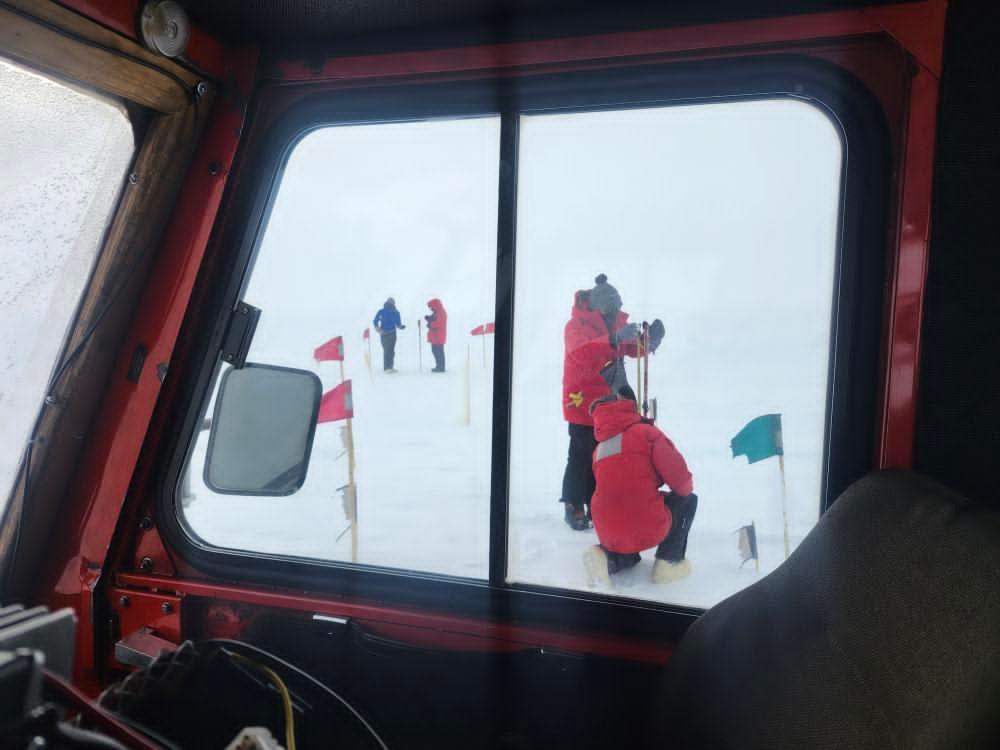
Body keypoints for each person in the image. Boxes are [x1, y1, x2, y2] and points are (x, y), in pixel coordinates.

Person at [560, 275, 664, 530]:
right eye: (612, 308)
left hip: (610, 401)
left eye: (618, 307)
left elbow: (630, 347)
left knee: (604, 456)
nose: (616, 312)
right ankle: (573, 504)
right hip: (582, 402)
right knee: (581, 454)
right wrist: (614, 339)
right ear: (599, 308)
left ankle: (597, 502)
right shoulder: (576, 326)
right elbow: (581, 352)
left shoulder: (612, 324)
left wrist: (648, 342)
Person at [583, 390, 697, 586]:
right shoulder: (646, 434)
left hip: (608, 529)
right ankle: (668, 564)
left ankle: (606, 558)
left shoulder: (599, 449)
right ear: (627, 407)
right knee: (688, 500)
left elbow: (616, 484)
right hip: (644, 521)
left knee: (628, 548)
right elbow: (682, 484)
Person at [373, 297, 405, 372]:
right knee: (387, 350)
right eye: (389, 303)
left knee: (391, 350)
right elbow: (375, 321)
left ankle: (390, 367)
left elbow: (398, 323)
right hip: (384, 333)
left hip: (392, 333)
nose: (391, 304)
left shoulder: (396, 312)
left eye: (392, 303)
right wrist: (377, 328)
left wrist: (401, 326)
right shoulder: (381, 311)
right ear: (387, 303)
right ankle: (386, 367)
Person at [425, 298, 448, 372]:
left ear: (435, 305)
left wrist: (430, 325)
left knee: (438, 352)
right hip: (436, 336)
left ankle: (441, 367)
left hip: (438, 336)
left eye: (431, 307)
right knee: (435, 351)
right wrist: (429, 318)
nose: (431, 309)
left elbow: (439, 323)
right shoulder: (437, 312)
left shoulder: (440, 312)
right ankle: (439, 366)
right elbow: (434, 319)